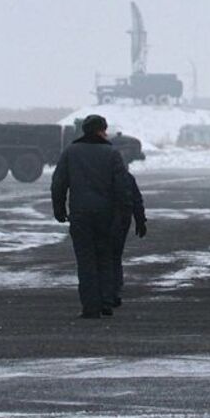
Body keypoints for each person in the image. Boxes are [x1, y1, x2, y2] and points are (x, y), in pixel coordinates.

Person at [51, 115, 147, 318]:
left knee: (86, 261)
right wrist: (126, 214)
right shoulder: (112, 154)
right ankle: (106, 301)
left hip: (80, 215)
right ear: (100, 131)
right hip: (106, 215)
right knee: (105, 258)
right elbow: (123, 188)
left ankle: (90, 307)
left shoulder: (70, 152)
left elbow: (58, 183)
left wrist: (59, 210)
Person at [110, 166, 147, 307]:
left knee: (99, 256)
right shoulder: (126, 177)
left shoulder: (95, 175)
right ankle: (114, 290)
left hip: (100, 219)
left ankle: (103, 293)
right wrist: (140, 220)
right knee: (115, 256)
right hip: (121, 220)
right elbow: (136, 199)